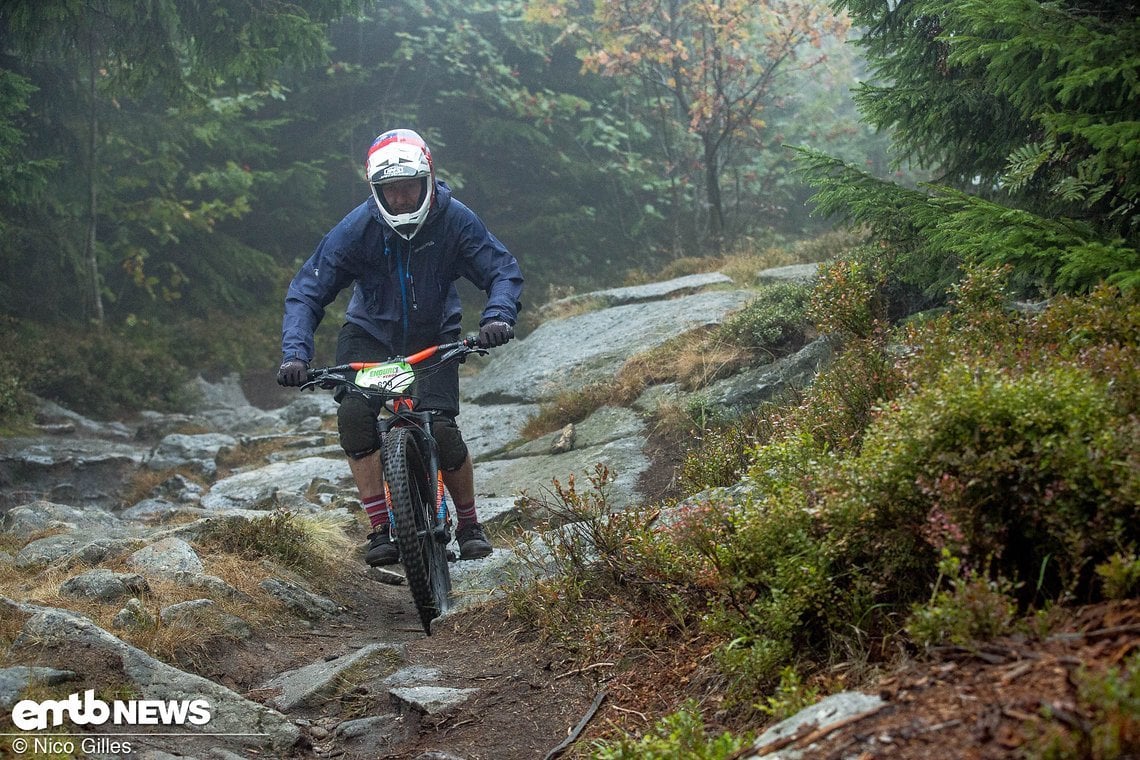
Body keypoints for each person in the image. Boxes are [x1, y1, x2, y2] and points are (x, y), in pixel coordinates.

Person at [276, 128, 523, 566]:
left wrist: (497, 317)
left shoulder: (455, 219)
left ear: (428, 180)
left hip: (435, 335)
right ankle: (379, 529)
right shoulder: (357, 228)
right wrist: (296, 353)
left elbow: (501, 269)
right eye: (392, 191)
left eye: (410, 187)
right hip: (370, 336)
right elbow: (307, 290)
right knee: (355, 415)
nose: (403, 199)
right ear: (377, 191)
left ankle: (469, 525)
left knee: (442, 429)